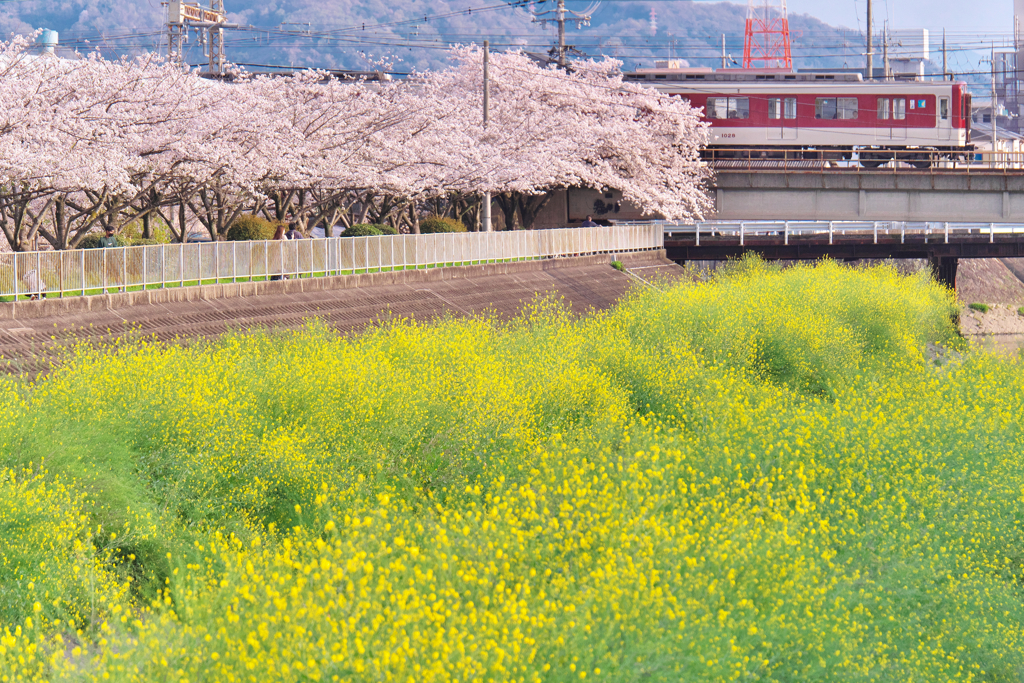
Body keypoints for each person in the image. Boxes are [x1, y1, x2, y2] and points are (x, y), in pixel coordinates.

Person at [99, 226, 123, 293]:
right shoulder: (102, 240)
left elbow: (115, 248)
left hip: (113, 259)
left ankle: (120, 289)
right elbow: (99, 250)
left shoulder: (113, 239)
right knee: (105, 274)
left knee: (117, 274)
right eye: (111, 231)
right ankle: (105, 289)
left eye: (113, 231)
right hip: (105, 259)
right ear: (107, 231)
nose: (112, 233)